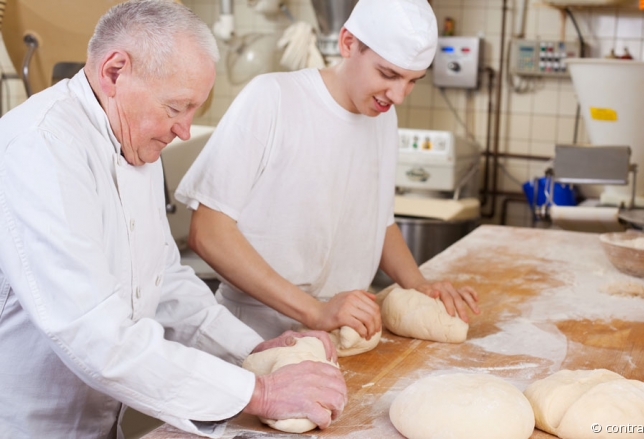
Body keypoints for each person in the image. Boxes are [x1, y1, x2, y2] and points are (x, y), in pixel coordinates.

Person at [0, 1, 346, 438]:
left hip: (104, 425)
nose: (184, 130)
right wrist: (259, 393)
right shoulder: (40, 148)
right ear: (114, 71)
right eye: (175, 108)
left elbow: (162, 280)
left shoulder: (134, 139)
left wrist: (252, 348)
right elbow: (95, 336)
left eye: (193, 112)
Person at [175, 0, 481, 342]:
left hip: (343, 332)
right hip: (252, 334)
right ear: (348, 43)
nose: (398, 95)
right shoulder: (273, 98)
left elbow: (379, 221)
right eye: (388, 74)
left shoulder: (383, 117)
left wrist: (420, 285)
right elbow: (207, 232)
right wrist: (314, 311)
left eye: (412, 81)